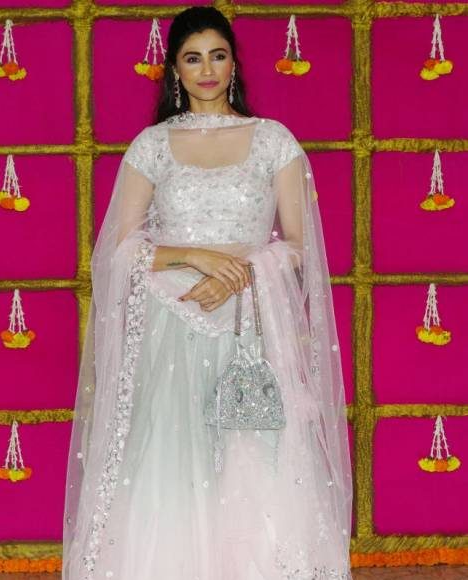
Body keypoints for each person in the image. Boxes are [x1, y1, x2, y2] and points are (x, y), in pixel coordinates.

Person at [62, 6, 353, 580]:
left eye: (218, 56)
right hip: (173, 324)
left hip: (251, 323)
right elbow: (116, 251)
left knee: (254, 458)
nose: (207, 70)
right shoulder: (152, 146)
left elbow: (299, 247)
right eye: (193, 59)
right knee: (172, 458)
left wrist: (242, 274)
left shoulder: (273, 141)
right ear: (175, 70)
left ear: (233, 63)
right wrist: (193, 257)